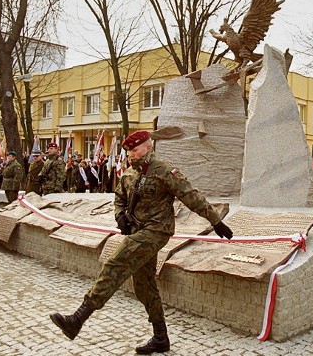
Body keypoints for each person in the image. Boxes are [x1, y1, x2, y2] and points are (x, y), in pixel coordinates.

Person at [49, 130, 234, 354]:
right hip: (137, 231)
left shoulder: (164, 170)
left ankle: (77, 319)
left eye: (135, 150)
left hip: (157, 231)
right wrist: (119, 216)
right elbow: (119, 198)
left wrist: (215, 221)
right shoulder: (129, 174)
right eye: (129, 152)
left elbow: (191, 195)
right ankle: (160, 338)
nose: (131, 155)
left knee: (115, 263)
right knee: (144, 286)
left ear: (148, 147)